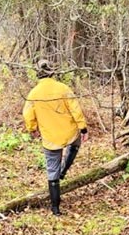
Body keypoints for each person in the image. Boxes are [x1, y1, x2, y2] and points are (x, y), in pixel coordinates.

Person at [22, 59, 88, 215]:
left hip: (50, 136)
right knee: (75, 143)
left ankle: (55, 208)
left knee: (52, 170)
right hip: (69, 132)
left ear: (38, 75)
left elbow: (27, 114)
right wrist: (83, 128)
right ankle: (64, 170)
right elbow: (76, 109)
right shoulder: (63, 88)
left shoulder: (33, 94)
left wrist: (32, 129)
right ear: (52, 72)